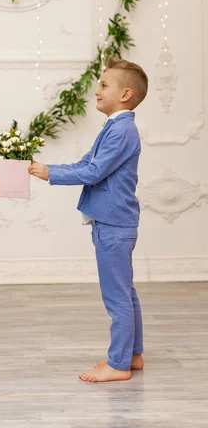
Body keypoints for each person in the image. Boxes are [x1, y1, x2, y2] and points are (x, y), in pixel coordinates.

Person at [29, 56, 148, 382]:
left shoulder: (122, 130)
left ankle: (119, 364)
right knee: (126, 291)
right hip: (113, 221)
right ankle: (132, 355)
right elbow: (86, 162)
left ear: (125, 94)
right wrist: (48, 170)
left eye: (104, 85)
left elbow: (94, 171)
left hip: (113, 224)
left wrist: (49, 173)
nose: (97, 90)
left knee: (117, 296)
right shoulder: (114, 127)